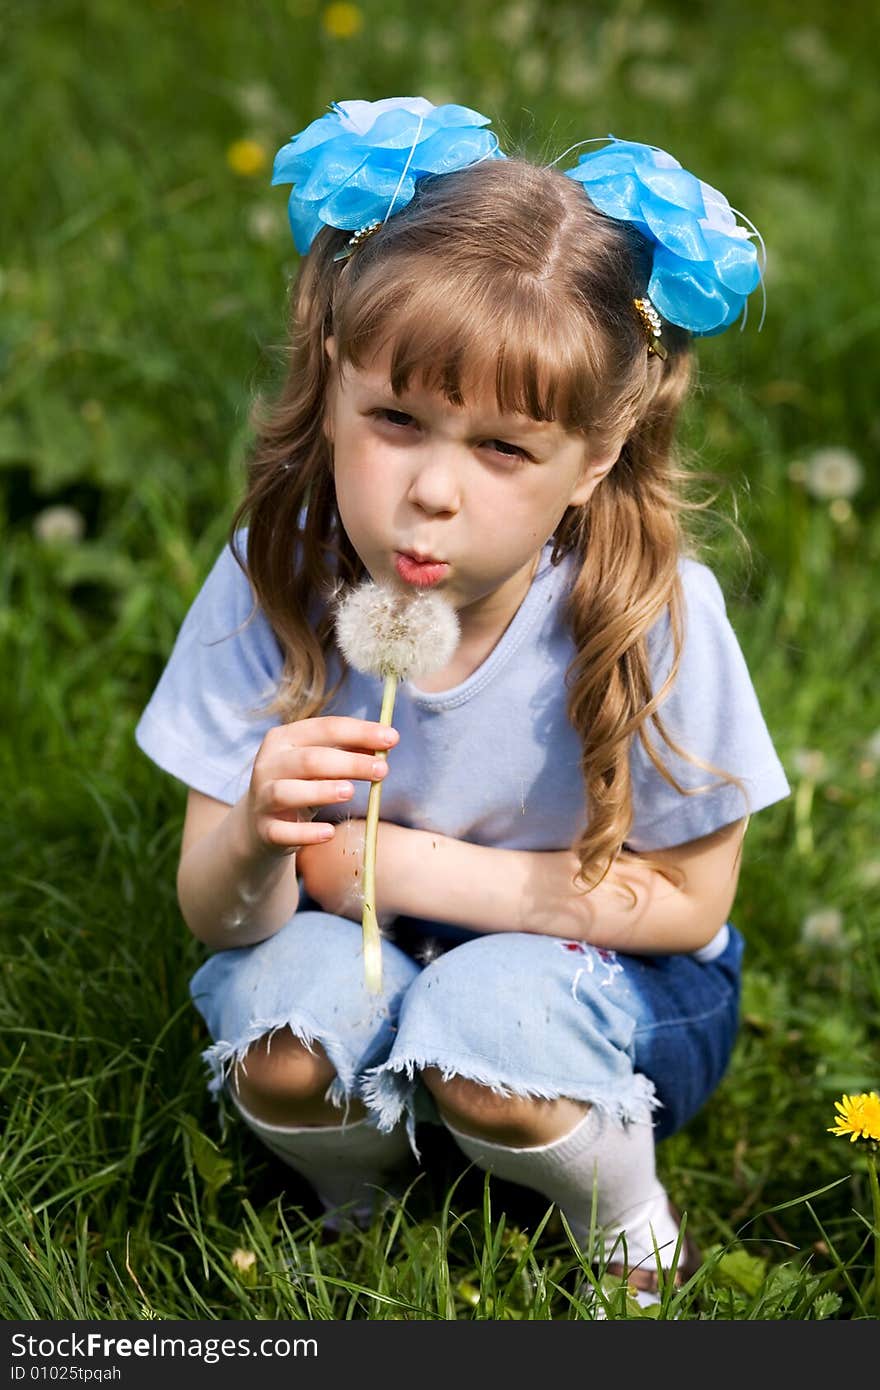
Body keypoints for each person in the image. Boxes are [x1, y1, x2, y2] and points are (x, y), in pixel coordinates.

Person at [135, 98, 791, 1306]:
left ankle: (629, 1223)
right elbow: (221, 917)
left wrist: (394, 869)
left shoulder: (649, 611)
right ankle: (360, 1205)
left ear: (594, 458)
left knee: (486, 1019)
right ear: (332, 386)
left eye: (503, 449)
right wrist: (256, 837)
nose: (432, 491)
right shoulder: (275, 573)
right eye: (395, 420)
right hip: (358, 955)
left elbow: (695, 896)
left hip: (620, 979)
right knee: (281, 1026)